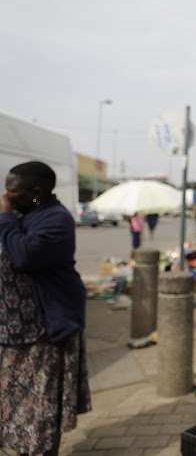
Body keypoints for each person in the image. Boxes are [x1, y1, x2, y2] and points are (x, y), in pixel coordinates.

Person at [0, 161, 91, 456]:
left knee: (43, 408)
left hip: (44, 331)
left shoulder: (56, 219)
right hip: (13, 332)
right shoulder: (23, 214)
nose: (6, 195)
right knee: (15, 407)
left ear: (36, 192)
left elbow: (24, 255)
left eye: (12, 190)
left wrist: (5, 217)